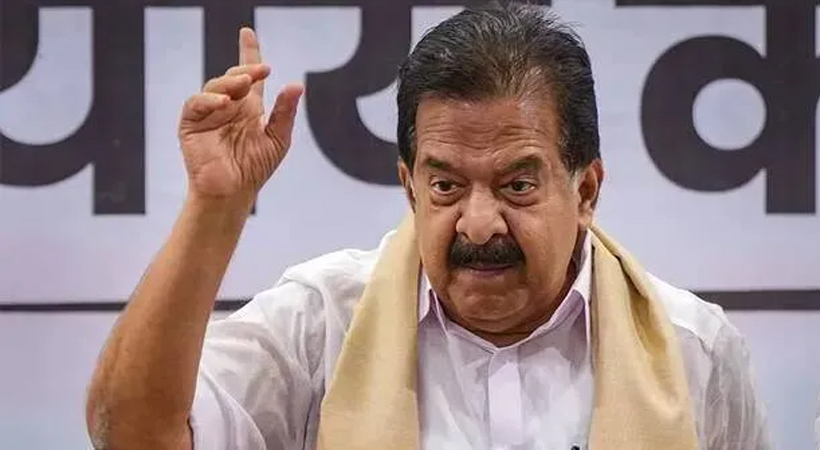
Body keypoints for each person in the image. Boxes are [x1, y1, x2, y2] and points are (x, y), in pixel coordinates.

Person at [84, 3, 771, 449]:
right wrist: (214, 208)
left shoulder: (695, 351)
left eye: (517, 185)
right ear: (409, 187)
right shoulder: (321, 325)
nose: (479, 223)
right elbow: (133, 435)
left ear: (585, 189)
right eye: (446, 185)